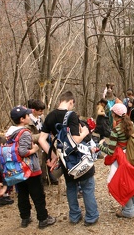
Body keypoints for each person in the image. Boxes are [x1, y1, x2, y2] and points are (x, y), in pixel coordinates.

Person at [38, 91, 99, 227]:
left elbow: (42, 139)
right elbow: (75, 140)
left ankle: (74, 216)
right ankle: (91, 216)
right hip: (79, 158)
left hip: (65, 160)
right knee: (87, 187)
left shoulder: (49, 117)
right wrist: (84, 133)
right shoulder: (71, 115)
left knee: (71, 187)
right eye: (72, 104)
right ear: (71, 101)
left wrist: (53, 155)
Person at [6, 105, 56, 229]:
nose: (29, 116)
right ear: (22, 119)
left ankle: (25, 217)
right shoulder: (25, 132)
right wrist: (34, 149)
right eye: (27, 115)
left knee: (22, 194)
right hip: (30, 170)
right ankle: (43, 218)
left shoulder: (10, 133)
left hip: (18, 170)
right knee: (38, 194)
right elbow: (22, 151)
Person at [99, 103, 134, 218]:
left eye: (112, 113)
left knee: (123, 183)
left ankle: (128, 210)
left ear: (115, 115)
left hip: (122, 159)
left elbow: (111, 151)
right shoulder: (132, 125)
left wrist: (100, 145)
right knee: (133, 181)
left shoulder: (116, 130)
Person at [27, 99, 58, 185]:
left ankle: (49, 177)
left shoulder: (42, 118)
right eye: (40, 111)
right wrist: (42, 135)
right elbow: (29, 137)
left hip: (46, 144)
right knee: (39, 164)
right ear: (34, 110)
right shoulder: (28, 121)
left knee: (48, 158)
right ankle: (40, 181)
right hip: (36, 146)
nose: (42, 113)